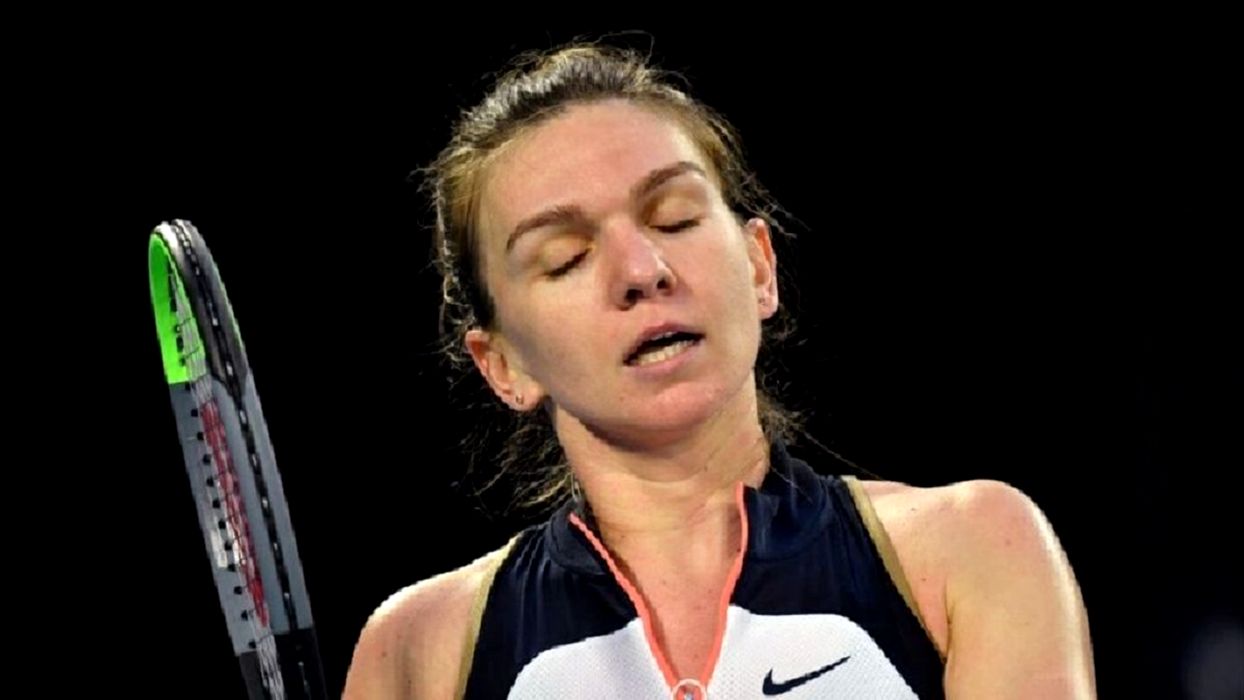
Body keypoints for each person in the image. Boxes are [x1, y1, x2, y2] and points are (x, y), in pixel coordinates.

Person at [342, 40, 1096, 699]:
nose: (642, 270)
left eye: (674, 218)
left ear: (760, 268)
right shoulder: (420, 649)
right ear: (502, 364)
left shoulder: (969, 551)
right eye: (565, 258)